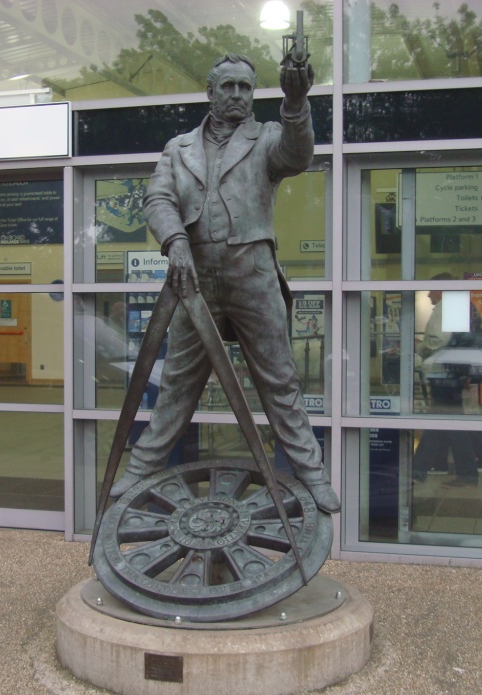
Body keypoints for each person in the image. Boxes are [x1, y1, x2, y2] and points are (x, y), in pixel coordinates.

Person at [107, 53, 339, 513]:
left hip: (252, 273)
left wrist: (295, 101)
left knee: (279, 380)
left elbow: (299, 154)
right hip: (194, 278)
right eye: (228, 86)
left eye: (246, 88)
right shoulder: (179, 148)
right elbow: (157, 197)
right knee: (178, 382)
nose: (237, 95)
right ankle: (143, 464)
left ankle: (312, 473)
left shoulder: (268, 136)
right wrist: (174, 240)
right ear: (211, 92)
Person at [412, 275, 482, 486]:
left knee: (449, 423)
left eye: (431, 290)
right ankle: (419, 469)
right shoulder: (461, 307)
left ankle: (462, 472)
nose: (428, 295)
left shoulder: (447, 307)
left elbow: (438, 339)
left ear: (441, 289)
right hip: (456, 373)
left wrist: (420, 346)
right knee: (444, 422)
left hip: (444, 374)